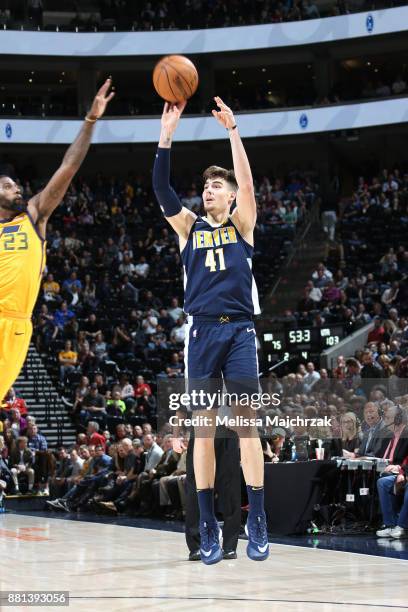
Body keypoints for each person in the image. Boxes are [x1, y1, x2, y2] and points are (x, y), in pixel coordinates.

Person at [152, 98, 268, 564]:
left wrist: (233, 131)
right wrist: (166, 134)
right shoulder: (188, 228)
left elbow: (248, 183)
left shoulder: (243, 224)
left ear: (231, 195)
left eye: (217, 186)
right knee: (203, 434)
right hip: (201, 335)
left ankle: (256, 516)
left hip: (239, 331)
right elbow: (162, 190)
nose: (209, 192)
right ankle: (206, 522)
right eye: (206, 187)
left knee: (246, 429)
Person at [0, 78, 114, 403]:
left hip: (16, 326)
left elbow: (69, 166)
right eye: (8, 186)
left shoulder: (33, 216)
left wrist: (90, 120)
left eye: (16, 185)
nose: (17, 189)